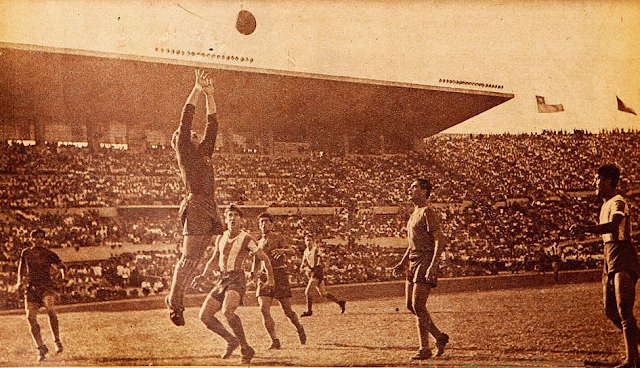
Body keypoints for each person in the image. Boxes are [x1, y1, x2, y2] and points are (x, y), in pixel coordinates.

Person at [165, 69, 225, 327]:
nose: (194, 134)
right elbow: (185, 120)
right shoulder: (185, 150)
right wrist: (197, 90)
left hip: (210, 203)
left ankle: (184, 296)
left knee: (197, 260)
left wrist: (211, 95)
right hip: (197, 203)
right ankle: (174, 303)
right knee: (189, 259)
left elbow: (213, 124)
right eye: (188, 134)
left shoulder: (203, 152)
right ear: (180, 142)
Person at [571, 164, 638, 368]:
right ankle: (634, 353)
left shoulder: (618, 202)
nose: (594, 183)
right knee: (610, 310)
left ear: (608, 181)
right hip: (610, 255)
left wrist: (585, 229)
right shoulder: (606, 204)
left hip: (622, 254)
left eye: (597, 179)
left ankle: (631, 360)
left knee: (624, 309)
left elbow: (613, 225)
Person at [192, 204, 275, 365]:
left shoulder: (246, 238)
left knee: (227, 310)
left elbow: (263, 257)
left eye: (236, 215)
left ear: (241, 220)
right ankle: (231, 340)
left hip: (237, 279)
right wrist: (203, 275)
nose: (233, 218)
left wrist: (270, 279)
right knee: (205, 316)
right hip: (222, 279)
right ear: (225, 219)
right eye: (230, 215)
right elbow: (214, 259)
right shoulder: (221, 238)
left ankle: (245, 348)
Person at [391, 179, 449, 361]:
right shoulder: (413, 213)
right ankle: (439, 337)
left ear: (424, 192)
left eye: (414, 187)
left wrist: (433, 264)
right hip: (413, 260)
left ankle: (424, 348)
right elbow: (412, 243)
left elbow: (440, 239)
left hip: (425, 260)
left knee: (418, 305)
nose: (410, 189)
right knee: (410, 305)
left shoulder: (428, 212)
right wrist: (402, 262)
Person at [250, 213, 306, 349]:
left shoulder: (278, 237)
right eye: (261, 222)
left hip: (279, 275)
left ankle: (299, 327)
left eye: (266, 222)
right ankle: (274, 340)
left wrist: (283, 250)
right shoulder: (258, 242)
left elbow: (292, 251)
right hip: (264, 277)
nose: (263, 224)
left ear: (271, 224)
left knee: (287, 310)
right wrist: (253, 272)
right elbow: (256, 260)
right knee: (264, 309)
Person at [16, 229, 67, 361]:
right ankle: (40, 347)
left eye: (41, 238)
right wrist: (19, 282)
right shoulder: (26, 253)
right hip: (32, 288)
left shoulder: (48, 253)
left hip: (46, 287)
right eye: (36, 237)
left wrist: (63, 279)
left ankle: (56, 341)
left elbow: (62, 266)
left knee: (50, 309)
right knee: (30, 317)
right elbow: (21, 269)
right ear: (31, 239)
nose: (39, 240)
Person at [299, 232, 346, 317]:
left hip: (317, 271)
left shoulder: (316, 250)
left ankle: (309, 311)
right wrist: (302, 265)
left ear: (313, 241)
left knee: (307, 292)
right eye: (307, 241)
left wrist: (327, 266)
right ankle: (340, 302)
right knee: (323, 293)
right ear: (305, 242)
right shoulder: (306, 251)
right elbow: (304, 261)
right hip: (313, 271)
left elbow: (325, 257)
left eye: (310, 240)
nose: (308, 242)